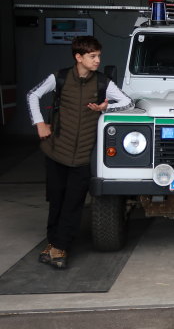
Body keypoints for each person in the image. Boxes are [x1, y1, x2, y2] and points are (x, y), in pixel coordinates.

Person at [27, 36, 133, 269]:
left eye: (98, 56)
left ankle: (60, 248)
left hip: (84, 157)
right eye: (92, 56)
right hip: (56, 152)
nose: (97, 60)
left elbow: (128, 102)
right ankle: (53, 243)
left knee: (73, 204)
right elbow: (32, 95)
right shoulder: (60, 78)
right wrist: (40, 124)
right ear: (79, 57)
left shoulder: (103, 82)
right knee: (56, 201)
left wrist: (107, 107)